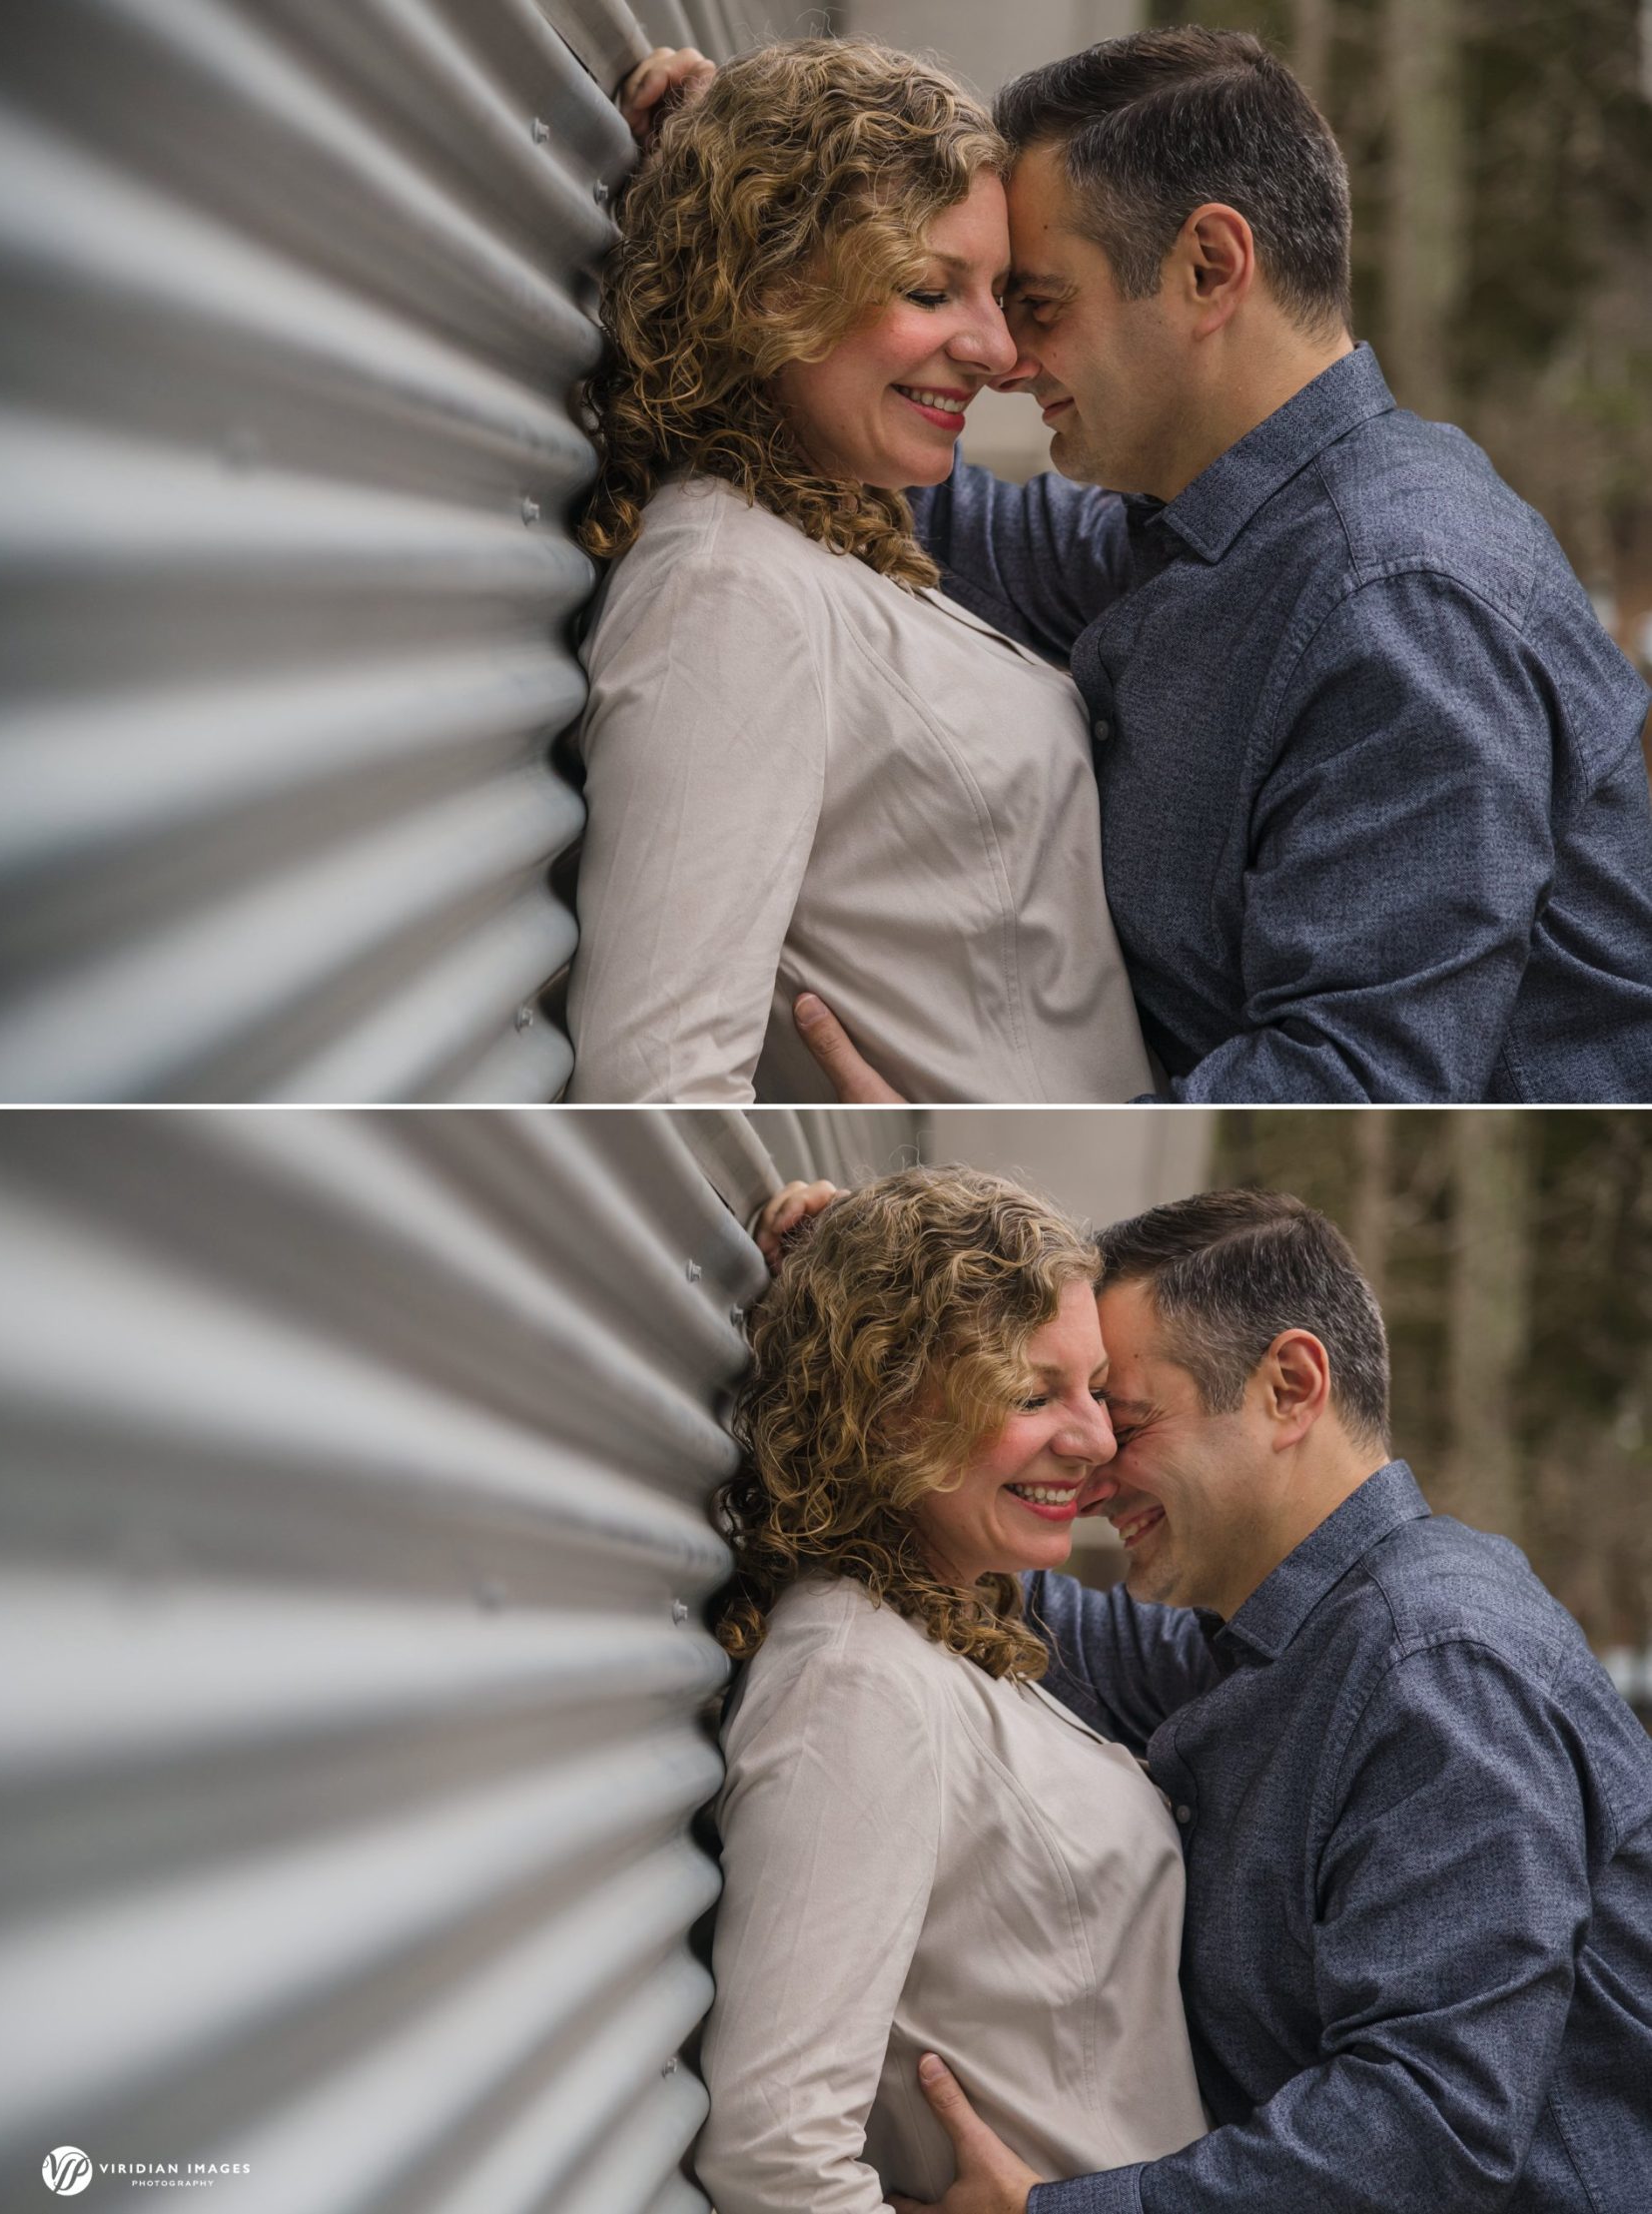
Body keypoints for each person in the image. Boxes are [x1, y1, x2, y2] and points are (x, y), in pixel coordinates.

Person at [636, 29, 1652, 1104]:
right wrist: (780, 209)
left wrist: (967, 1168)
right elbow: (959, 529)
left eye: (1038, 302)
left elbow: (1364, 1079)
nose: (1007, 358)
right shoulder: (1229, 519)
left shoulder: (1394, 602)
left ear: (1207, 269)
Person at [792, 1185, 1650, 2214]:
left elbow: (1428, 2129)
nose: (1096, 1468)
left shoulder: (1436, 1670)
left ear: (1289, 1386)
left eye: (1128, 1418)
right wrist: (893, 1293)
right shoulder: (1281, 1638)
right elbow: (1006, 1598)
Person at [565, 40, 1150, 1105]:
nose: (995, 350)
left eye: (1001, 295)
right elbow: (652, 1080)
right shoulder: (727, 591)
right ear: (772, 285)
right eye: (931, 289)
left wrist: (745, 133)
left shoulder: (830, 531)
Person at [695, 1166, 1208, 2212]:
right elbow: (775, 2159)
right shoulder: (853, 1683)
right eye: (1031, 1393)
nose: (1096, 1440)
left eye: (1095, 1388)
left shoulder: (955, 1625)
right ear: (886, 1407)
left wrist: (858, 1262)